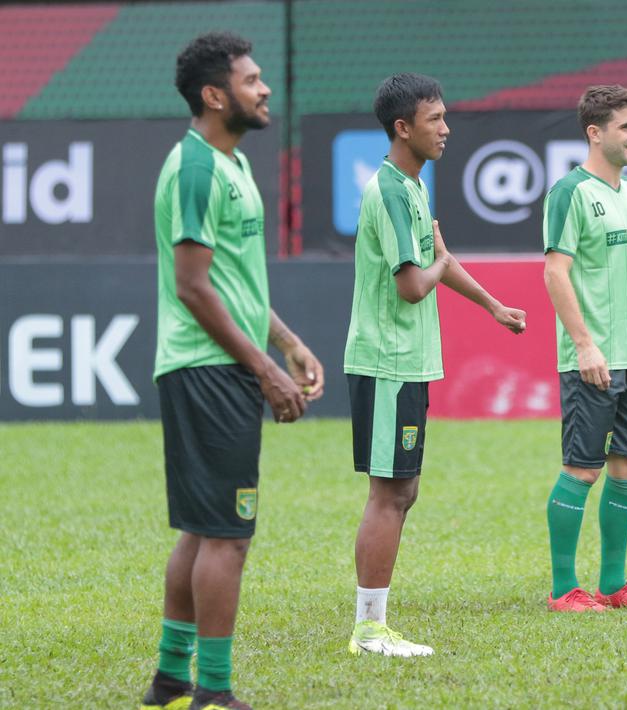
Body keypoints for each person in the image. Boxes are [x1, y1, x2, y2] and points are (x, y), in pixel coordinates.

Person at [141, 32, 324, 710]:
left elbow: (232, 282)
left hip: (219, 364)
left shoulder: (231, 164)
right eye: (250, 80)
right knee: (228, 535)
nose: (264, 87)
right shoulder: (194, 167)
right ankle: (213, 690)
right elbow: (193, 286)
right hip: (208, 368)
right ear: (216, 95)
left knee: (202, 526)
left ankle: (170, 676)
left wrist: (286, 343)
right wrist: (263, 372)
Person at [344, 73, 526, 656]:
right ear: (404, 128)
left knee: (403, 489)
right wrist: (441, 262)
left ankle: (374, 621)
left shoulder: (413, 187)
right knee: (390, 492)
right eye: (435, 119)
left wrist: (492, 304)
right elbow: (412, 285)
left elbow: (437, 264)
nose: (447, 128)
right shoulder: (394, 191)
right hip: (388, 361)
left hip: (406, 362)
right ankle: (370, 628)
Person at [541, 85, 627, 613]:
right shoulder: (569, 192)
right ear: (595, 133)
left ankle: (614, 585)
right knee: (582, 469)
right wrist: (585, 345)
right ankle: (562, 589)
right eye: (626, 126)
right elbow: (555, 272)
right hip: (592, 360)